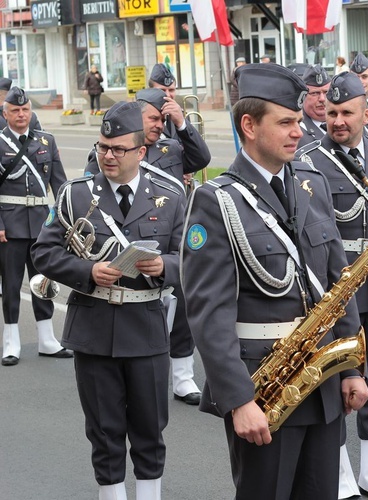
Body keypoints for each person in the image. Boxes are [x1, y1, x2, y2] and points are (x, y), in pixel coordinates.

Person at [181, 63, 368, 499]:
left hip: (319, 387)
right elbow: (209, 314)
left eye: (299, 121)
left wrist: (350, 369)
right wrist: (238, 400)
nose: (299, 132)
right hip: (262, 389)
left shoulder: (311, 183)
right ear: (249, 125)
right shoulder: (217, 201)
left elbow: (337, 286)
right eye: (285, 122)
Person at [31, 101, 185, 499]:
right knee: (103, 427)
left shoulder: (170, 194)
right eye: (103, 147)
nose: (108, 156)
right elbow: (44, 253)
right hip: (94, 325)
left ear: (141, 151)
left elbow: (197, 259)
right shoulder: (75, 194)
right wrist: (87, 272)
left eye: (118, 149)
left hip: (146, 325)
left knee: (150, 427)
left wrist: (164, 266)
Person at [294, 71, 368, 500]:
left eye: (347, 112)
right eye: (331, 112)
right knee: (337, 379)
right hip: (335, 284)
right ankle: (341, 474)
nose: (338, 120)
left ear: (366, 113)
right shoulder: (309, 159)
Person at [84, 88, 209, 406]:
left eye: (163, 118)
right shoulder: (111, 151)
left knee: (182, 308)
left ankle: (182, 376)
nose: (159, 124)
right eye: (154, 118)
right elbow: (92, 196)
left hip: (168, 240)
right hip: (123, 244)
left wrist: (181, 124)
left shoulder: (170, 147)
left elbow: (201, 159)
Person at [0, 87, 70, 366]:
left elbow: (60, 185)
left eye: (25, 109)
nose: (21, 114)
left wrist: (66, 221)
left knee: (43, 282)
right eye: (15, 110)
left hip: (42, 224)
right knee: (12, 283)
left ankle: (47, 339)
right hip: (10, 225)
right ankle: (11, 342)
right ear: (5, 114)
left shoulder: (46, 140)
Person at [147, 63, 213, 167]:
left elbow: (195, 153)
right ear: (150, 90)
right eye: (162, 90)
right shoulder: (143, 116)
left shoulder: (180, 115)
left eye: (172, 90)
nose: (168, 95)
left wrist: (181, 123)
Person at [298, 64, 331, 147]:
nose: (322, 99)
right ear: (303, 96)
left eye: (326, 92)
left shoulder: (341, 122)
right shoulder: (298, 131)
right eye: (314, 93)